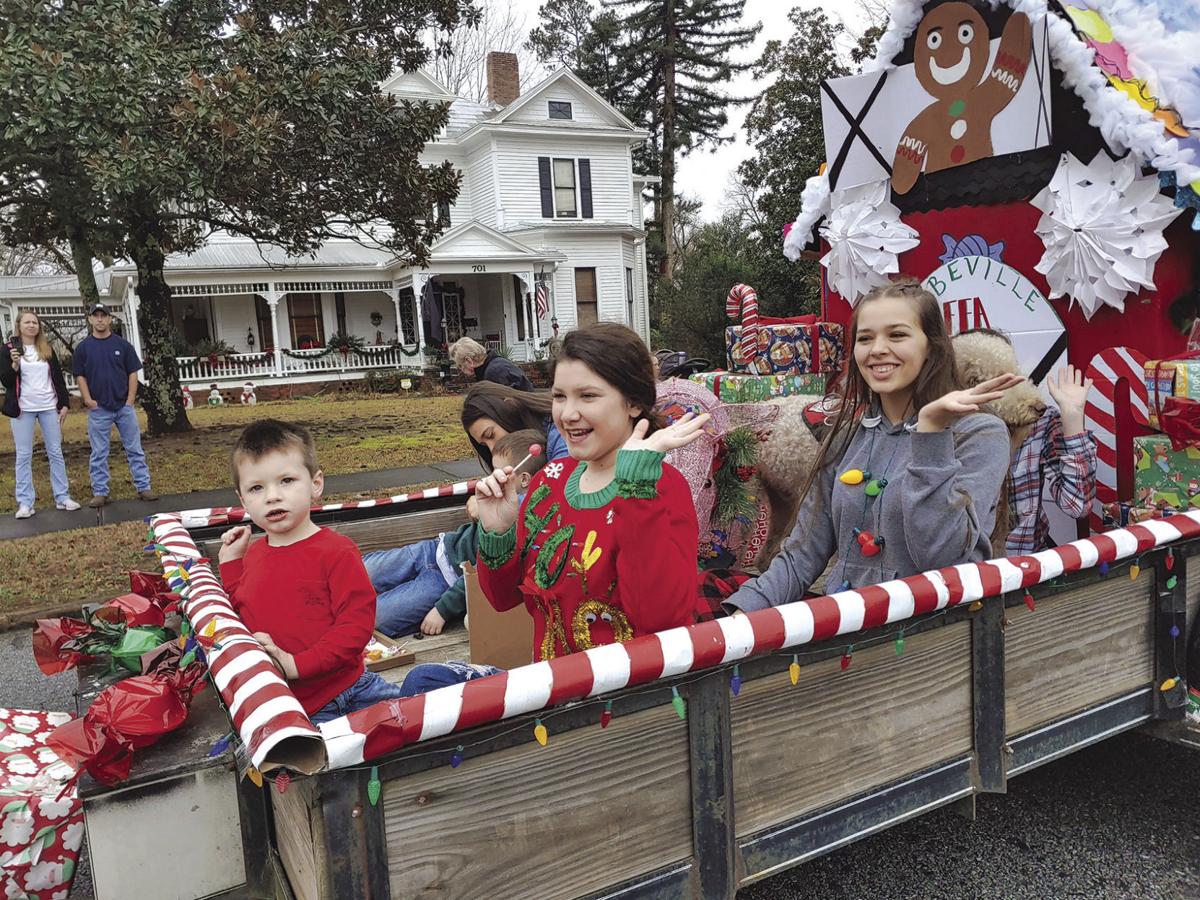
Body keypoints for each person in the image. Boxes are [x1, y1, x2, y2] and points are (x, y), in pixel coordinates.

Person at [399, 323, 709, 696]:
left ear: (634, 402)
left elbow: (660, 619)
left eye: (588, 396)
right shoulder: (551, 479)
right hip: (549, 689)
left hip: (625, 707)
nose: (568, 414)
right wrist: (498, 531)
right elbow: (501, 599)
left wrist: (635, 486)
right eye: (560, 396)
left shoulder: (662, 487)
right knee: (423, 683)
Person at [724, 279, 1020, 614]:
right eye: (865, 338)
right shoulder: (845, 435)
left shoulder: (979, 433)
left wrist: (931, 434)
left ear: (933, 346)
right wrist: (740, 618)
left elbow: (945, 559)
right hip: (851, 633)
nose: (877, 348)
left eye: (897, 335)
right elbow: (803, 554)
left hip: (937, 643)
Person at [217, 420, 404, 725]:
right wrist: (231, 562)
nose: (272, 496)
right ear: (242, 499)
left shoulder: (336, 551)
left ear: (315, 484)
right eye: (256, 488)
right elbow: (241, 608)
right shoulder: (255, 555)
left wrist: (296, 664)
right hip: (284, 702)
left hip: (346, 692)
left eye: (287, 480)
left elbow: (355, 628)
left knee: (408, 732)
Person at [364, 430, 546, 638]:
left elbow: (480, 571)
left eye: (498, 471)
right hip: (434, 550)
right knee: (363, 570)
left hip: (446, 582)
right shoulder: (499, 498)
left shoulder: (523, 519)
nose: (491, 477)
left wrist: (443, 610)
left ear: (523, 479)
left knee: (375, 618)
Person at [952, 329, 1097, 554]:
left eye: (1012, 376)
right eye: (994, 382)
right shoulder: (940, 430)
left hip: (1024, 569)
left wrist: (1072, 417)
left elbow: (1077, 506)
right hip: (961, 571)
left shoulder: (1038, 423)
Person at [71, 303, 156, 507]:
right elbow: (80, 376)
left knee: (134, 448)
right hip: (99, 409)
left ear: (110, 319)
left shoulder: (123, 345)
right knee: (99, 452)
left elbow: (133, 373)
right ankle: (100, 491)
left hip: (123, 408)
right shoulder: (83, 348)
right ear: (90, 319)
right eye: (96, 316)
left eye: (104, 316)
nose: (100, 319)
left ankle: (143, 487)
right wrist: (87, 399)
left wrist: (130, 399)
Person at [0, 310, 80, 518]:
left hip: (48, 406)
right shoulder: (7, 350)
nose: (31, 326)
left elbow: (57, 378)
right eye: (27, 322)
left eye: (35, 322)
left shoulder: (47, 348)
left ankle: (62, 497)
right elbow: (7, 382)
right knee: (24, 455)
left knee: (55, 452)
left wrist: (64, 404)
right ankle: (25, 503)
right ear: (19, 325)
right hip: (23, 409)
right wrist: (15, 365)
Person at [462, 381, 568, 470]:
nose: (492, 449)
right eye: (484, 445)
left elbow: (558, 487)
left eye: (490, 435)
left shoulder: (560, 431)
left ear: (509, 410)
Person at [449, 337, 535, 392]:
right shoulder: (498, 364)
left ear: (469, 361)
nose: (461, 370)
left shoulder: (494, 373)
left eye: (460, 365)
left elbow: (502, 410)